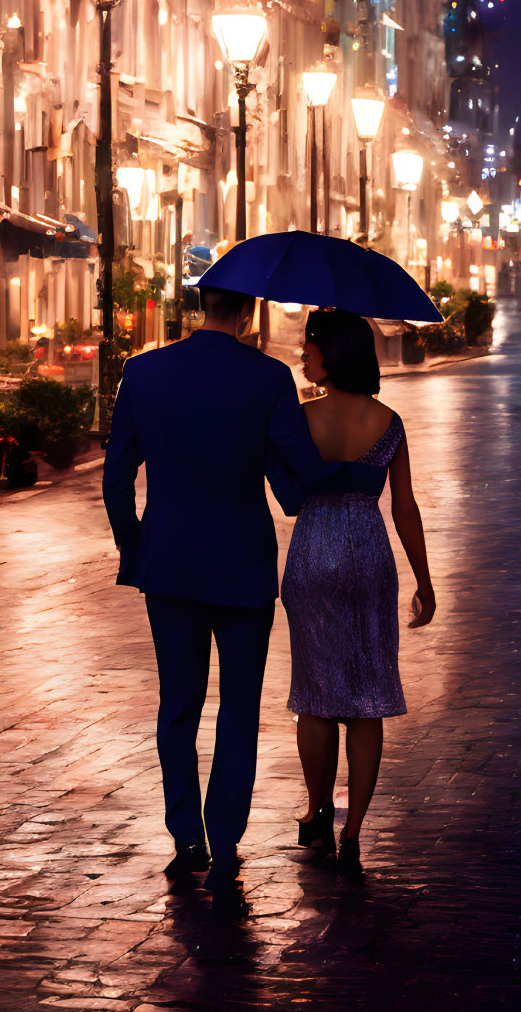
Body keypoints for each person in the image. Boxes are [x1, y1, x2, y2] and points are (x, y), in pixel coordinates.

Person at [102, 286, 335, 915]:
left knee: (178, 705)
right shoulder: (267, 378)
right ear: (249, 313)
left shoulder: (143, 372)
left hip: (170, 562)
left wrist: (135, 546)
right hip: (243, 563)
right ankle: (227, 841)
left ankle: (187, 837)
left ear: (199, 306)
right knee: (239, 706)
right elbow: (299, 475)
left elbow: (116, 476)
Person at [283, 308, 435, 881]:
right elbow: (404, 509)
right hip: (369, 555)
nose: (304, 354)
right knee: (367, 696)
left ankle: (317, 810)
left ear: (330, 354)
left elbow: (289, 494)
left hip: (313, 552)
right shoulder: (389, 422)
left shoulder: (301, 420)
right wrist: (424, 579)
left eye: (310, 346)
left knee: (315, 695)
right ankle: (353, 833)